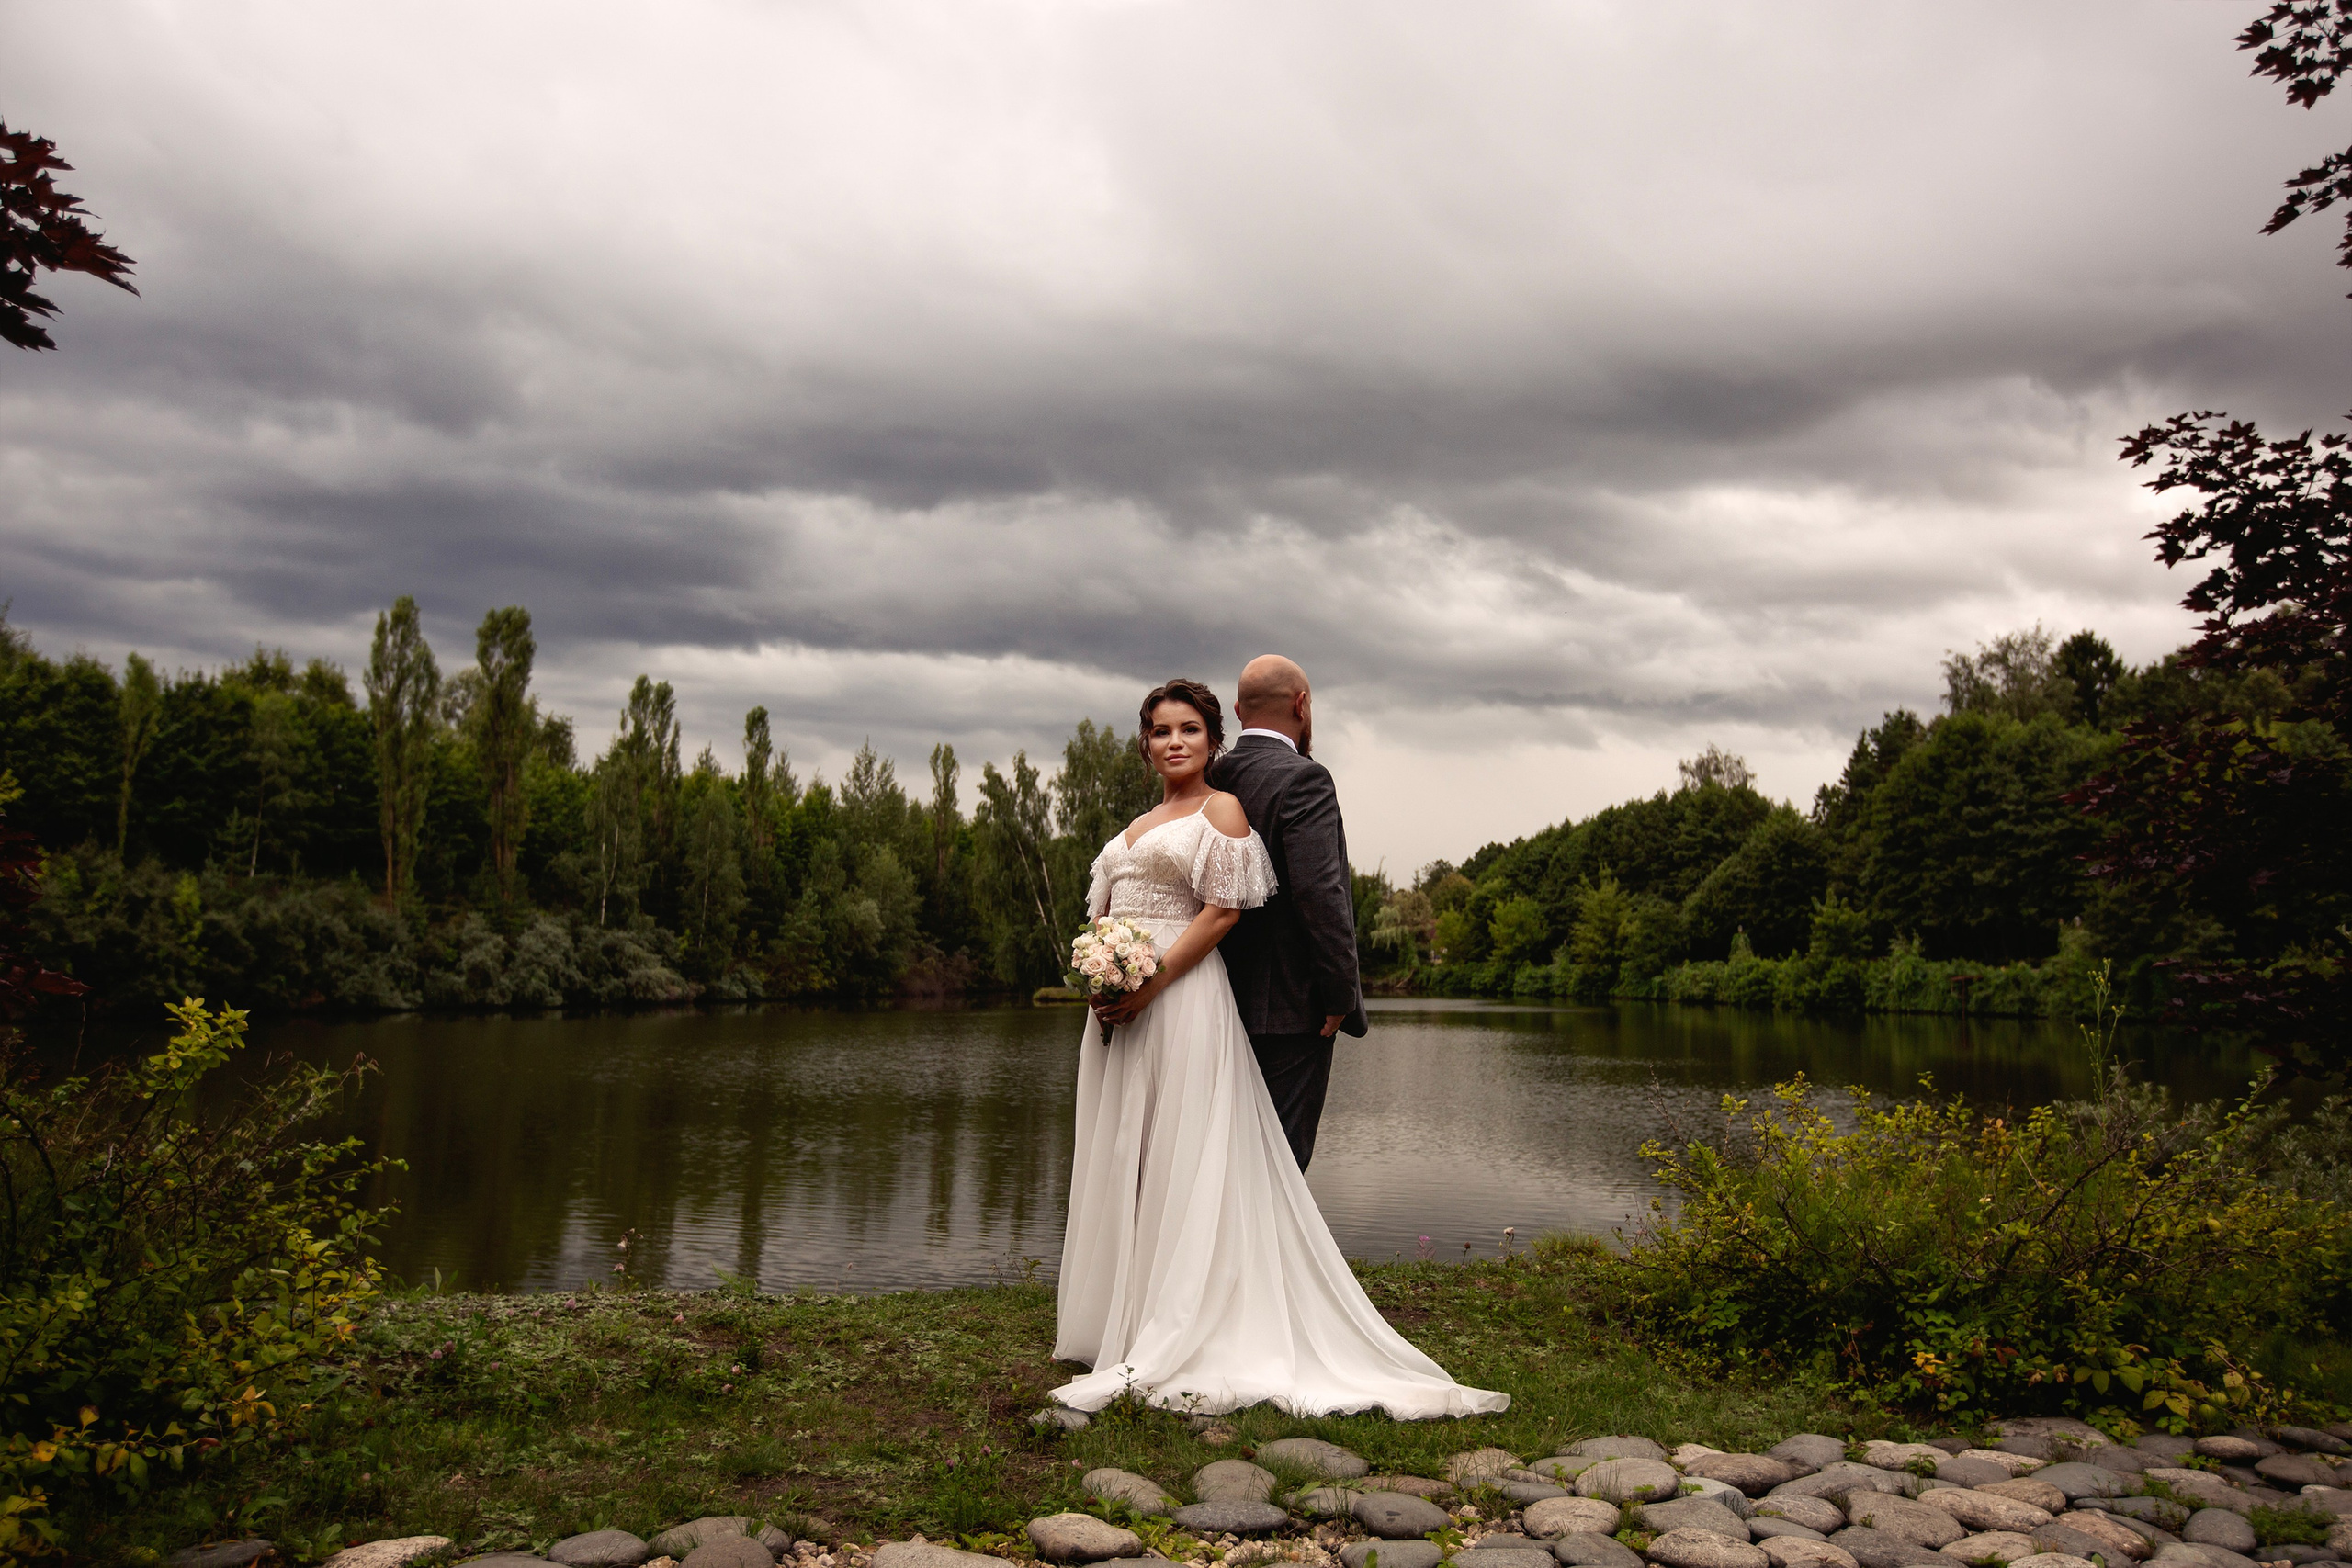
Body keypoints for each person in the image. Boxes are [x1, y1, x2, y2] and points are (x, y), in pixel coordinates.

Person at [1050, 677, 1505, 1419]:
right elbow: (1111, 912)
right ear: (1144, 742)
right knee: (1124, 1152)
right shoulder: (1145, 818)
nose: (1174, 741)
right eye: (1160, 730)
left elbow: (1225, 911)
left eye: (1188, 730)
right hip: (1121, 1009)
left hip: (1178, 1000)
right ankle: (1117, 1316)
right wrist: (1103, 980)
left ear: (1214, 737)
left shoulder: (1223, 806)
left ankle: (1198, 1316)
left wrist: (1149, 982)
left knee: (1186, 1156)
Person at [1206, 654, 1365, 1172]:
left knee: (1219, 1161)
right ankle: (1271, 1257)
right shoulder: (1305, 780)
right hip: (1292, 1012)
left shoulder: (1205, 779)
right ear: (1302, 705)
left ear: (1236, 710)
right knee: (1280, 1166)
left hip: (1205, 1002)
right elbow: (1321, 896)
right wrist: (1340, 995)